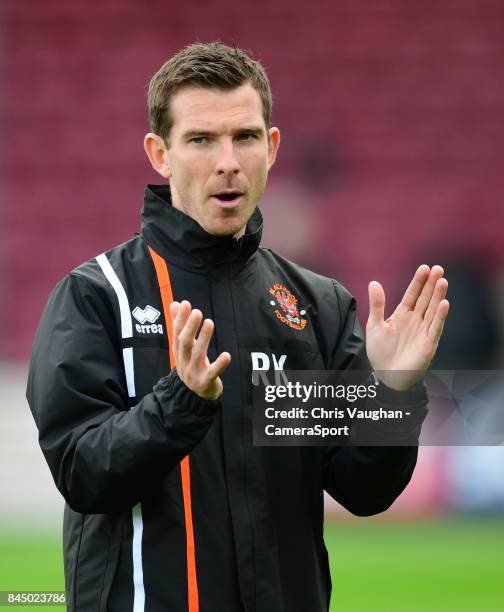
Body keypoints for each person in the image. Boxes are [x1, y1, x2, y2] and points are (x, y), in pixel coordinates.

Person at [26, 42, 449, 612]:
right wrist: (179, 403)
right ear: (160, 153)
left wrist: (393, 392)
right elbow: (81, 472)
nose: (227, 161)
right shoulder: (97, 296)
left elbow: (364, 490)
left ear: (271, 149)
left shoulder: (317, 308)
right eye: (200, 140)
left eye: (245, 137)